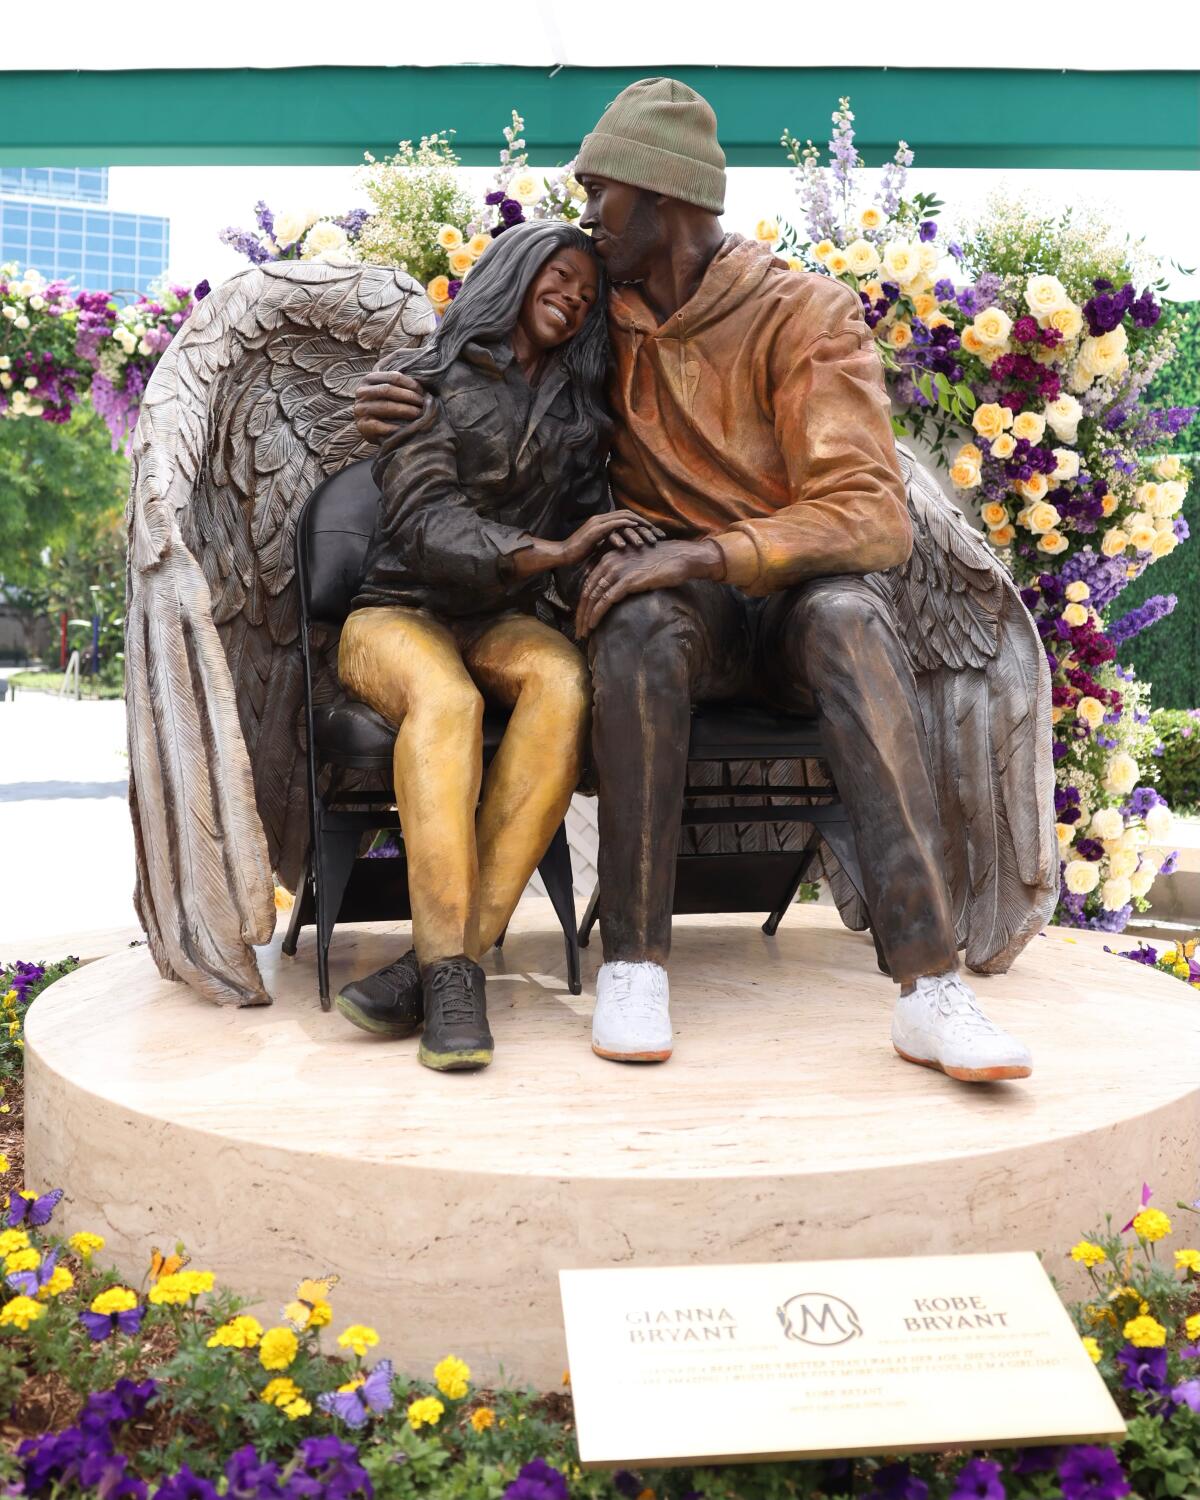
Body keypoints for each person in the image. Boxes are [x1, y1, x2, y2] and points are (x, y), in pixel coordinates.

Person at [353, 80, 1035, 1085]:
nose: (586, 214)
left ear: (658, 197)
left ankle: (930, 990)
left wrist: (699, 550)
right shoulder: (599, 321)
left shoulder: (805, 313)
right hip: (687, 618)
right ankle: (632, 962)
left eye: (600, 193)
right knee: (633, 621)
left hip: (800, 600)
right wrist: (406, 387)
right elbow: (494, 354)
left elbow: (869, 514)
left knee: (850, 617)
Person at [336, 220, 657, 1073]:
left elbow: (593, 519)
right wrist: (553, 551)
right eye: (560, 276)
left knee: (563, 680)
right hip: (393, 611)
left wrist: (614, 562)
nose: (575, 297)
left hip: (495, 618)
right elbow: (428, 522)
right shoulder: (421, 379)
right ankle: (452, 973)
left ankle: (443, 968)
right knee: (448, 701)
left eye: (588, 294)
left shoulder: (578, 414)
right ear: (517, 271)